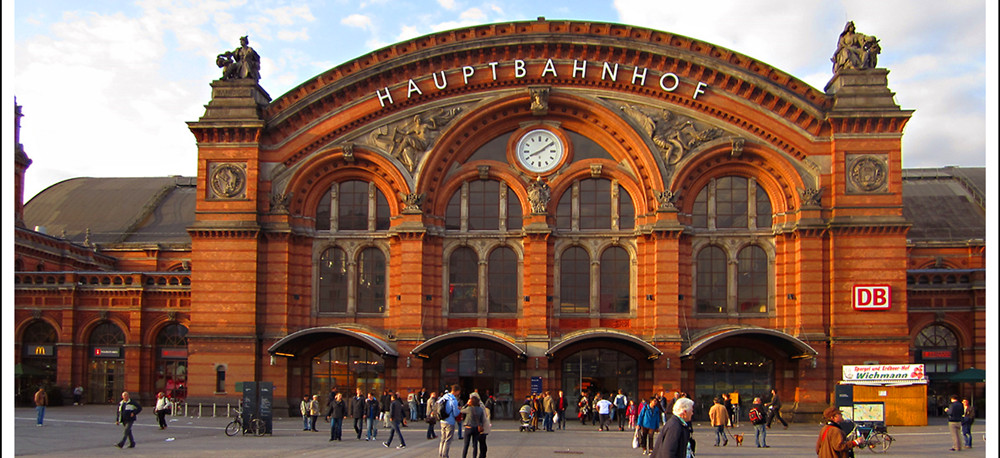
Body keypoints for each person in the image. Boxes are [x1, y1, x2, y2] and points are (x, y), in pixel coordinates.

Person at [439, 385, 462, 458]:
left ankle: (440, 454)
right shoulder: (453, 400)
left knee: (442, 439)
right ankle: (445, 455)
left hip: (442, 420)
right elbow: (455, 413)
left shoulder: (444, 397)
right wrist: (459, 409)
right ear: (457, 391)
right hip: (450, 421)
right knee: (448, 440)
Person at [461, 393, 485, 458]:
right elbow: (482, 419)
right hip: (476, 428)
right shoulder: (480, 409)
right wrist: (481, 425)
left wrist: (466, 404)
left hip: (468, 427)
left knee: (466, 444)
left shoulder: (469, 408)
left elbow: (461, 410)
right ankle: (474, 457)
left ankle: (464, 457)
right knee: (475, 445)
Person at [478, 394, 492, 458]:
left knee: (482, 441)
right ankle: (483, 455)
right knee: (483, 441)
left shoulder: (479, 406)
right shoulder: (482, 404)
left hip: (482, 426)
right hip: (484, 425)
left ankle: (482, 455)